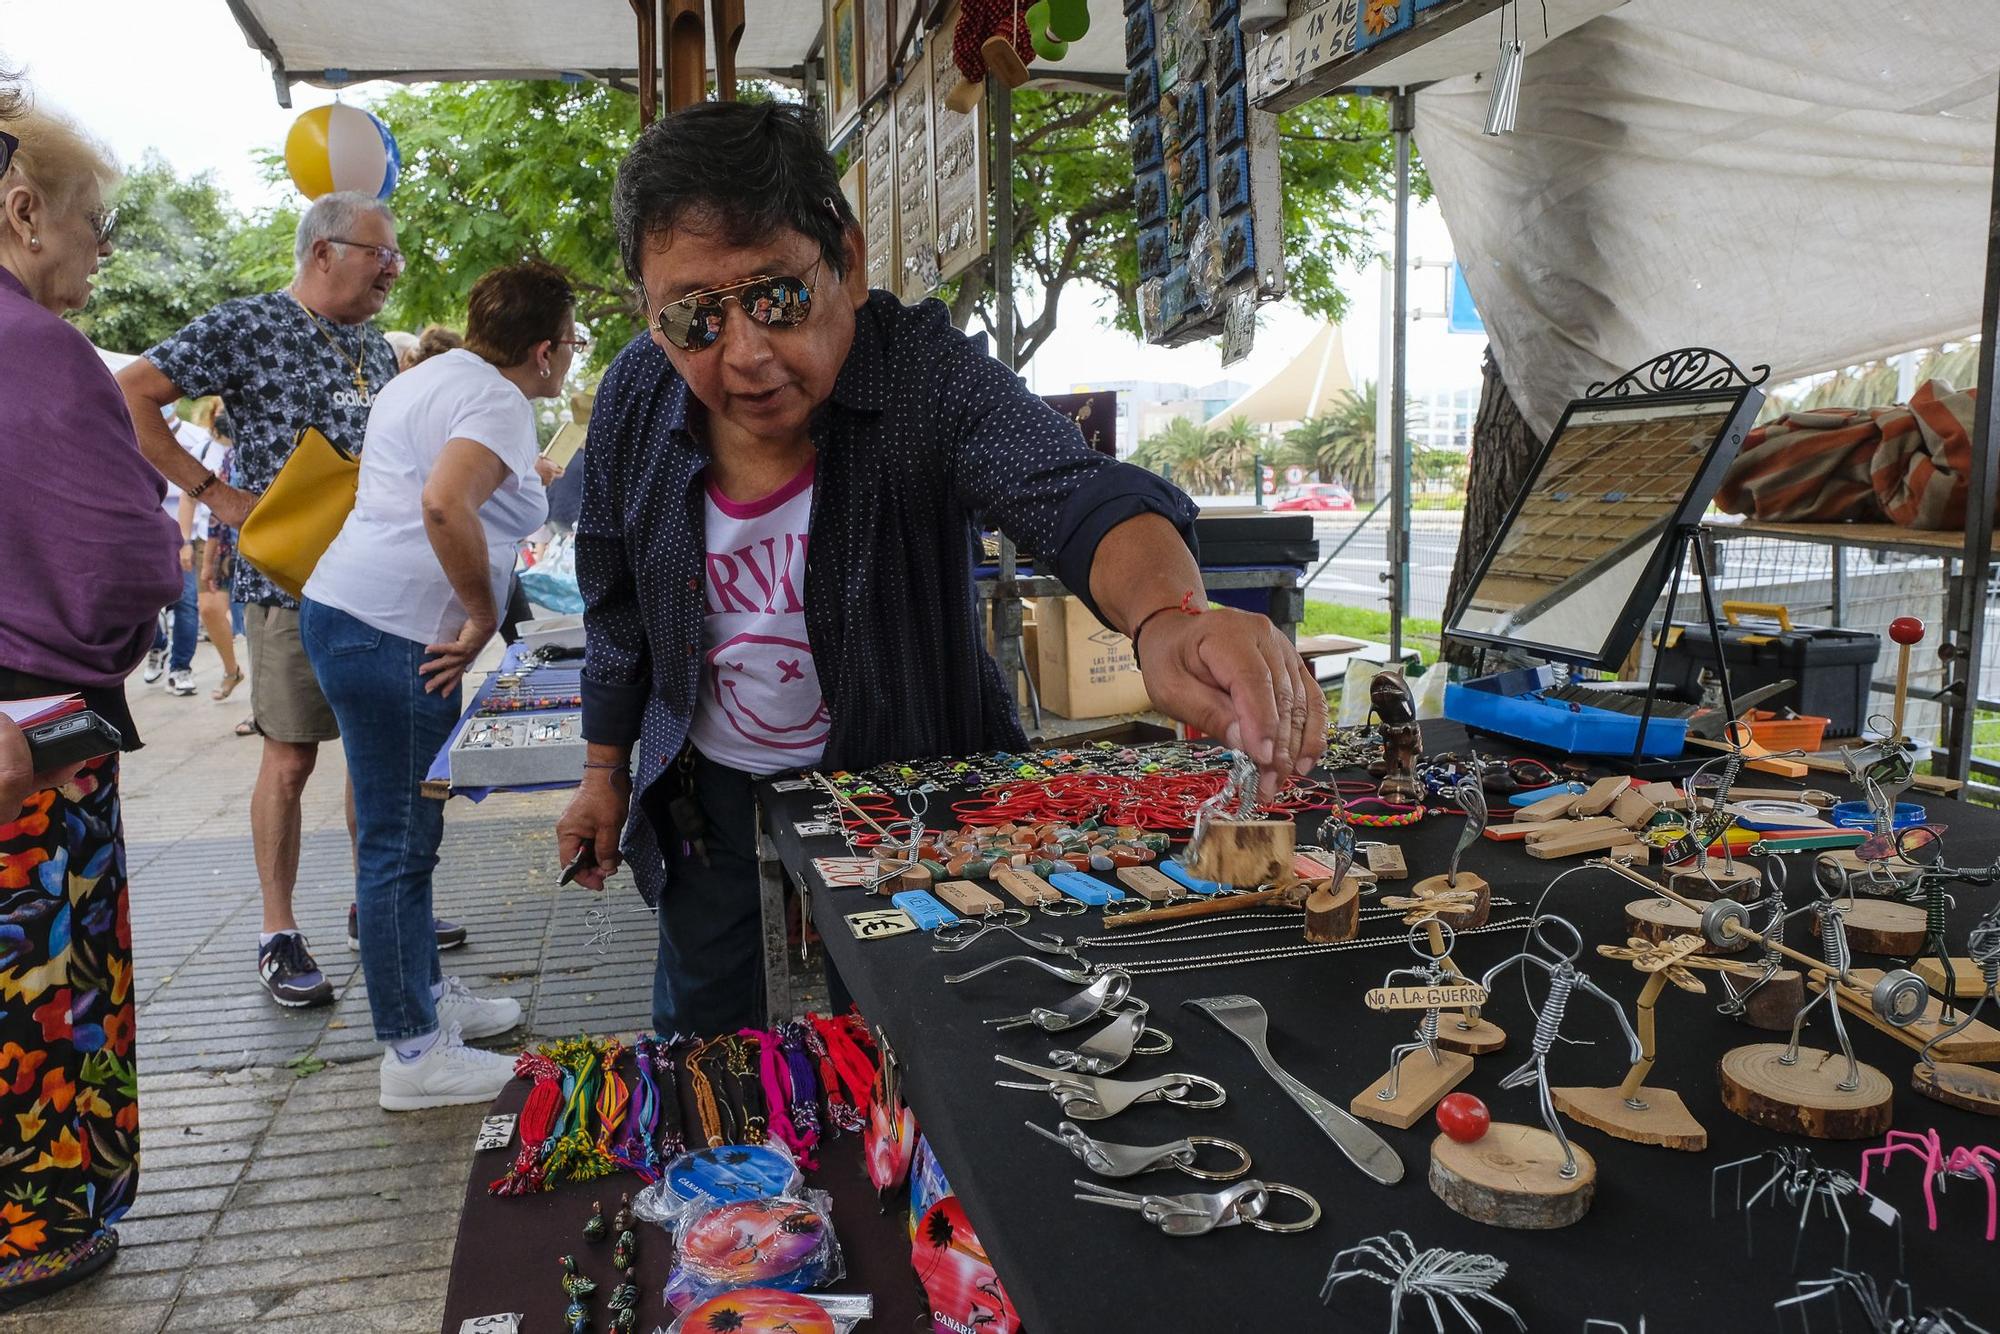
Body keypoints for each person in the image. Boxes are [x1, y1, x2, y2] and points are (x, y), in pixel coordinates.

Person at [555, 102, 1326, 1039]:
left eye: (776, 298)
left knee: (920, 1030)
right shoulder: (641, 390)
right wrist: (604, 771)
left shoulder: (923, 373)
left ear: (846, 255)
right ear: (651, 313)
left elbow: (1076, 492)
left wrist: (1170, 617)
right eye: (694, 317)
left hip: (910, 788)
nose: (746, 354)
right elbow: (614, 598)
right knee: (708, 1035)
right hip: (705, 784)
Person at [116, 191, 449, 1010]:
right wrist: (215, 495)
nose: (394, 269)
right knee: (292, 756)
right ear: (324, 251)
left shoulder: (374, 343)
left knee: (372, 754)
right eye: (381, 253)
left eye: (395, 255)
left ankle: (374, 911)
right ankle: (277, 930)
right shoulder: (247, 325)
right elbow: (132, 392)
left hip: (374, 583)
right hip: (287, 582)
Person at [302, 261, 580, 1108]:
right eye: (570, 343)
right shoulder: (497, 398)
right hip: (397, 630)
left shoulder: (435, 378)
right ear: (542, 350)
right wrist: (473, 614)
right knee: (398, 844)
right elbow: (442, 505)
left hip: (353, 612)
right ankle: (414, 1055)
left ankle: (422, 997)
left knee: (401, 834)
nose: (569, 358)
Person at [0, 99, 181, 1311]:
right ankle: (33, 1231)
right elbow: (128, 561)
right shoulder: (33, 345)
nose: (100, 247)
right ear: (23, 213)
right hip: (31, 735)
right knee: (36, 996)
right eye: (93, 222)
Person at [183, 399, 245, 701]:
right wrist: (185, 540)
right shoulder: (205, 451)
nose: (224, 417)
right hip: (212, 540)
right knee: (208, 609)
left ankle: (263, 691)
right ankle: (232, 670)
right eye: (219, 411)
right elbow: (189, 498)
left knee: (257, 620)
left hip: (243, 540)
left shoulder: (246, 448)